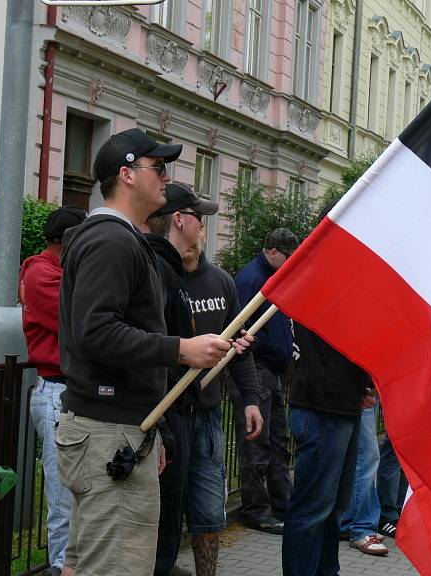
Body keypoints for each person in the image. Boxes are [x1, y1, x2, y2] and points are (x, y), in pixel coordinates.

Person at [56, 128, 234, 576]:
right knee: (114, 566)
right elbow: (95, 332)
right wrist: (181, 350)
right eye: (158, 167)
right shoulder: (110, 241)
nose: (166, 177)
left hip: (115, 430)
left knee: (88, 563)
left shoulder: (117, 238)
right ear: (127, 175)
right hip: (108, 434)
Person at [147, 183, 264, 576]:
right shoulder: (156, 276)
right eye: (200, 219)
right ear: (179, 220)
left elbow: (236, 348)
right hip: (166, 416)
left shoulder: (221, 282)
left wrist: (249, 398)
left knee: (210, 511)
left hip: (208, 419)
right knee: (164, 513)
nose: (204, 228)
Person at [20, 205, 87, 576]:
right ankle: (60, 565)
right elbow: (82, 318)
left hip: (70, 392)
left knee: (74, 492)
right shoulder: (43, 275)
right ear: (68, 242)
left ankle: (69, 564)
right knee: (62, 496)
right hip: (56, 393)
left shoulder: (58, 272)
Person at [282, 321, 380, 575]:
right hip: (322, 408)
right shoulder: (324, 287)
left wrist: (362, 384)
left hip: (342, 406)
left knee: (333, 508)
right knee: (314, 509)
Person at [233, 228, 299, 534]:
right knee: (257, 440)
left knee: (276, 439)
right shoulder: (252, 280)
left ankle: (282, 503)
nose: (290, 265)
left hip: (268, 369)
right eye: (287, 258)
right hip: (256, 368)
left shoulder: (267, 277)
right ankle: (255, 508)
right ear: (272, 252)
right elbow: (239, 329)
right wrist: (275, 349)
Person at [340, 406, 389, 556]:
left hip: (362, 391)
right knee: (367, 456)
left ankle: (349, 524)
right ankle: (362, 528)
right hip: (360, 390)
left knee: (360, 458)